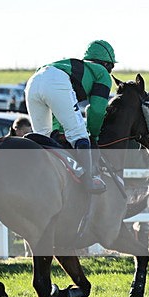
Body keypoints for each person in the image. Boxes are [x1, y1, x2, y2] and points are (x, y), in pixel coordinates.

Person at [24, 40, 117, 194]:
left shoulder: (72, 67)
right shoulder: (101, 73)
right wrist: (92, 135)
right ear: (107, 64)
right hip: (56, 81)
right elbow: (97, 111)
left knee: (43, 136)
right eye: (112, 67)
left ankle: (37, 178)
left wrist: (58, 131)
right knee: (79, 133)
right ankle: (88, 180)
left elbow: (58, 111)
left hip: (33, 81)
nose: (110, 72)